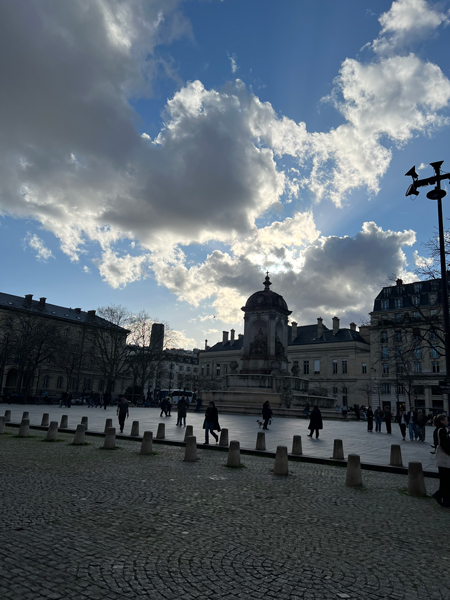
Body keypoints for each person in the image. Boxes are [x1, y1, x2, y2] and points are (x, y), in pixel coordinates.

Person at [432, 414, 450, 507]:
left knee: (445, 480)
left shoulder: (441, 430)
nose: (447, 421)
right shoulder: (441, 430)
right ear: (442, 421)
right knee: (445, 480)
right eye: (446, 420)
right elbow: (444, 444)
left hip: (443, 458)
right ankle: (440, 496)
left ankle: (444, 498)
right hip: (444, 458)